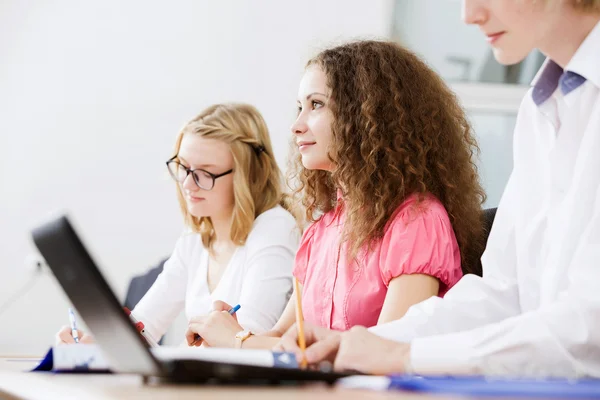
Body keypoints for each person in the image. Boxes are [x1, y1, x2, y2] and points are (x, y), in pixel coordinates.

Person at [277, 0, 600, 378]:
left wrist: (405, 356)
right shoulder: (539, 108)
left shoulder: (415, 217)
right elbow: (502, 292)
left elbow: (588, 331)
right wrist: (369, 344)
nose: (469, 15)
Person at [185, 40, 486, 349]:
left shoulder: (417, 221)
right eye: (299, 107)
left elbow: (380, 354)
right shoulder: (321, 231)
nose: (296, 126)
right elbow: (281, 338)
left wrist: (240, 341)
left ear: (368, 116)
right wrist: (224, 332)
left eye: (316, 105)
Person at [56, 103, 300, 344]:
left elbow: (246, 339)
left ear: (248, 175)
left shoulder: (275, 227)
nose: (187, 184)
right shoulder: (195, 237)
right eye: (183, 167)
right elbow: (145, 326)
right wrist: (96, 346)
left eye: (205, 173)